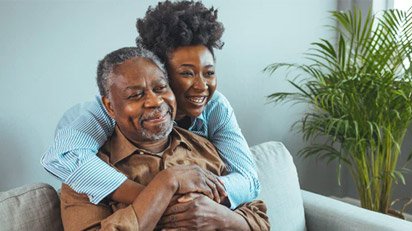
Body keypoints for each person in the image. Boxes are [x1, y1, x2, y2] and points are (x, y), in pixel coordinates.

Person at [41, 0, 259, 209]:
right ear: (159, 71)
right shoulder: (110, 109)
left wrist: (198, 200)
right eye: (186, 73)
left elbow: (249, 179)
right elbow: (62, 156)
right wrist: (158, 197)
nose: (202, 86)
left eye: (209, 73)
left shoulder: (216, 107)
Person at [61, 47, 269, 231]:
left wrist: (219, 217)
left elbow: (259, 218)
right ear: (109, 106)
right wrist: (166, 183)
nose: (154, 101)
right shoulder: (84, 176)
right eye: (136, 95)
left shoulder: (204, 147)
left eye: (160, 88)